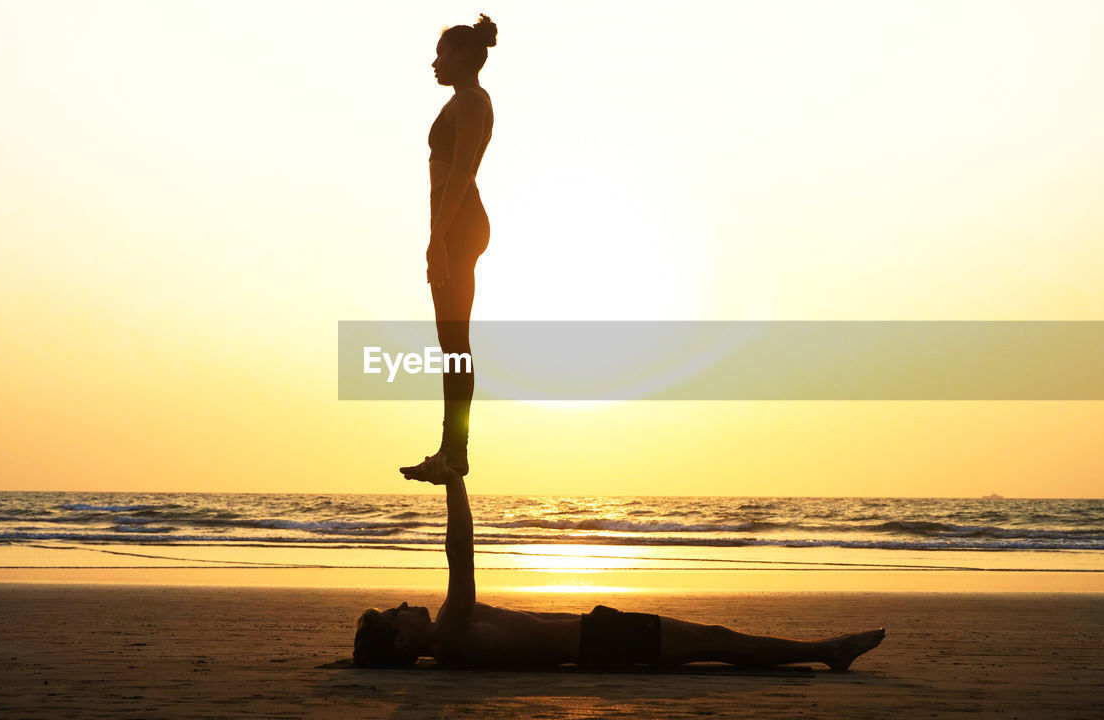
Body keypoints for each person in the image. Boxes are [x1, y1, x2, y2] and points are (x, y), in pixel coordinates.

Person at [357, 472, 886, 670]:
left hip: (598, 633)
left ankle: (823, 652)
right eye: (394, 614)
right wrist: (454, 483)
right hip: (602, 643)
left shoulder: (446, 641)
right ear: (403, 643)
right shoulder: (448, 635)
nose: (403, 605)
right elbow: (462, 554)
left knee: (717, 645)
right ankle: (826, 652)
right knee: (720, 642)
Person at [399, 14, 498, 484]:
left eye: (442, 54)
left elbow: (459, 175)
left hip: (458, 228)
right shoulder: (464, 102)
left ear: (463, 56)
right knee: (450, 344)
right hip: (454, 226)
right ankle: (450, 450)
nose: (435, 63)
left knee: (455, 344)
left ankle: (453, 452)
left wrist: (438, 238)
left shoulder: (472, 102)